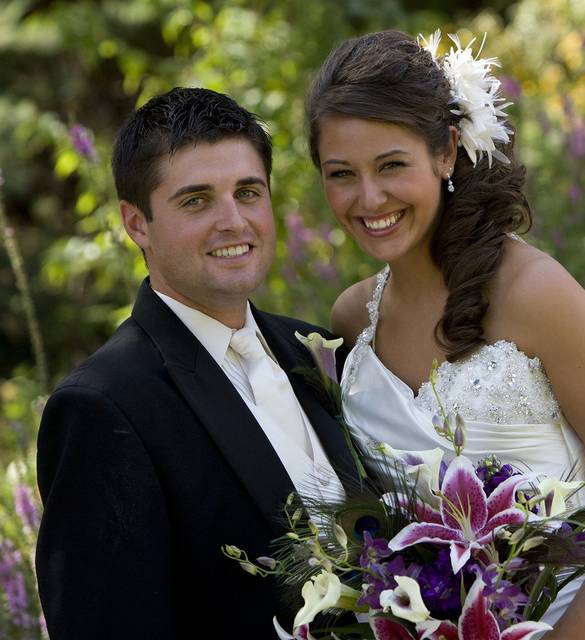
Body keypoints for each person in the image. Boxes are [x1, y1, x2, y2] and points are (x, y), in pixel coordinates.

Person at [305, 31, 585, 639]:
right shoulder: (350, 321)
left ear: (447, 152)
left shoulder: (536, 295)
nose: (369, 198)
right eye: (340, 173)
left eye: (392, 165)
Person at [35, 87, 362, 639]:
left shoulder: (320, 348)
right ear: (137, 223)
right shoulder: (101, 408)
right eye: (196, 200)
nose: (234, 221)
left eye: (248, 192)